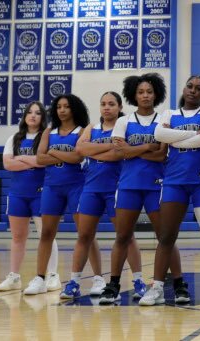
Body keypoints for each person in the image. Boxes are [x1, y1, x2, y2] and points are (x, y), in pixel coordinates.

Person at [62, 92, 146, 299]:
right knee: (84, 235)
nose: (106, 107)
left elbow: (119, 153)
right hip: (91, 188)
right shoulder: (92, 127)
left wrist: (94, 150)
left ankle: (138, 280)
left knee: (126, 236)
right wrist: (107, 146)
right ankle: (74, 281)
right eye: (103, 104)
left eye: (111, 104)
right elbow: (80, 148)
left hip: (116, 188)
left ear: (119, 107)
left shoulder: (124, 125)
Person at [99, 73, 173, 305]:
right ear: (134, 94)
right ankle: (113, 284)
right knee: (122, 236)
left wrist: (134, 148)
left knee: (165, 237)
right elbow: (120, 152)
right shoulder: (124, 121)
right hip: (129, 185)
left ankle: (178, 282)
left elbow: (162, 155)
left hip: (155, 186)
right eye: (141, 92)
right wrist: (148, 145)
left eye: (149, 91)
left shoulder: (163, 119)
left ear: (156, 94)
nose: (145, 95)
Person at [146, 75, 200, 306]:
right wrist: (194, 135)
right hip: (174, 181)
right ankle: (157, 287)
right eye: (189, 86)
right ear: (184, 88)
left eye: (199, 88)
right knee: (166, 236)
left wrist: (178, 138)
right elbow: (159, 135)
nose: (193, 91)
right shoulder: (169, 113)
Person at [24, 94, 89, 295]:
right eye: (59, 106)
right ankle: (40, 278)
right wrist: (63, 156)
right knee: (46, 233)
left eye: (66, 106)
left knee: (85, 234)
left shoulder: (82, 131)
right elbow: (40, 159)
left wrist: (54, 153)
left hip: (76, 186)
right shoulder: (48, 132)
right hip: (52, 187)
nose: (62, 110)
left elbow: (78, 157)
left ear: (74, 109)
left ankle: (90, 278)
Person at [0, 102, 56, 292]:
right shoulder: (14, 138)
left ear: (42, 117)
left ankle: (52, 276)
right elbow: (7, 164)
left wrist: (21, 159)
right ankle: (14, 277)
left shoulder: (47, 137)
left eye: (38, 113)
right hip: (18, 194)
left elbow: (44, 162)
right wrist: (32, 162)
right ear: (24, 116)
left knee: (46, 235)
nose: (33, 115)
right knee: (18, 237)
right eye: (30, 112)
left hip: (41, 192)